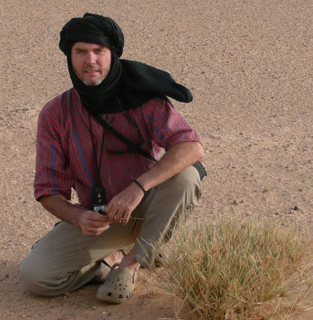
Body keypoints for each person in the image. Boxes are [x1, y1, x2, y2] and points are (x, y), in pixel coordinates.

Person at [19, 13, 204, 304]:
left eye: (98, 51)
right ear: (69, 57)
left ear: (112, 55)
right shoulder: (56, 114)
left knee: (187, 175)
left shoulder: (144, 99)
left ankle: (131, 264)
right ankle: (105, 259)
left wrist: (136, 189)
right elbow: (48, 191)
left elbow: (191, 147)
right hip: (101, 218)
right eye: (80, 52)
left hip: (148, 208)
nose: (89, 60)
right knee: (36, 277)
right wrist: (77, 216)